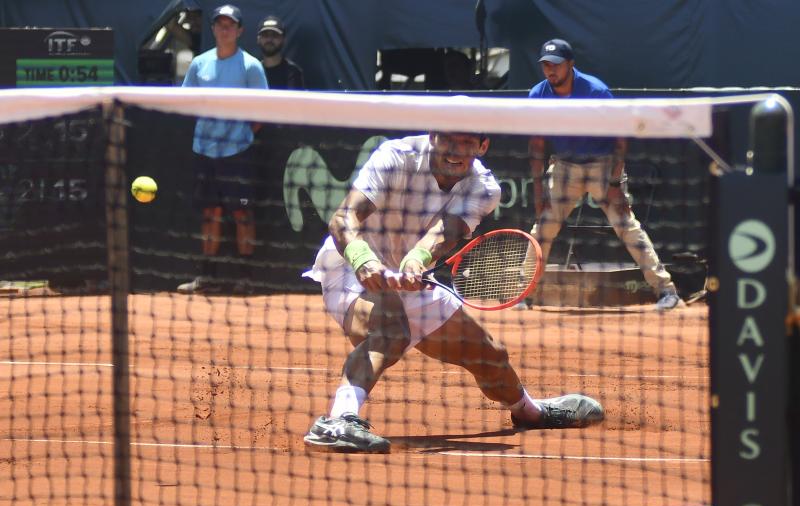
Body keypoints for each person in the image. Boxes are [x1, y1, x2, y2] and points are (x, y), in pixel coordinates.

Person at [301, 130, 604, 453]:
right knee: (391, 329)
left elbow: (443, 233)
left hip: (407, 275)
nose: (455, 151)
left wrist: (417, 260)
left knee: (490, 355)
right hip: (348, 268)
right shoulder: (396, 156)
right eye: (448, 140)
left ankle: (531, 411)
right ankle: (339, 420)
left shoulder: (484, 188)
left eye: (467, 143)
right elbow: (343, 218)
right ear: (433, 137)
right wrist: (364, 261)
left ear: (483, 146)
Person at [523, 38, 683, 311]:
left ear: (571, 65)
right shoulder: (538, 95)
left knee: (627, 227)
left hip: (603, 165)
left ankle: (667, 291)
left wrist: (613, 182)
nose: (551, 70)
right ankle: (523, 294)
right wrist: (538, 189)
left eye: (557, 65)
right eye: (546, 65)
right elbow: (537, 143)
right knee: (543, 228)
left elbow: (620, 139)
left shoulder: (596, 91)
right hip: (564, 167)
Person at [177, 4, 269, 294]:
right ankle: (207, 277)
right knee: (210, 213)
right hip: (204, 152)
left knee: (243, 215)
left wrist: (239, 136)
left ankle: (246, 278)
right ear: (214, 29)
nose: (225, 29)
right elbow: (187, 102)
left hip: (237, 155)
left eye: (231, 25)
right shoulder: (199, 64)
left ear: (240, 31)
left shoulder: (251, 66)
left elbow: (263, 112)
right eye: (220, 24)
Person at [256, 16, 305, 89]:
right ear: (258, 39)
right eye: (265, 35)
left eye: (275, 35)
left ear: (283, 39)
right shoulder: (254, 70)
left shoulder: (293, 72)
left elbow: (294, 100)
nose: (269, 39)